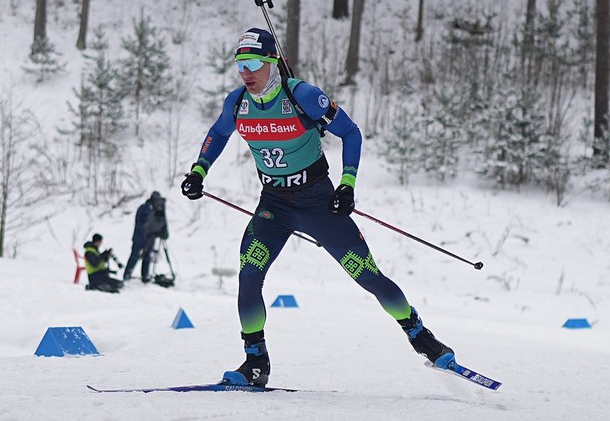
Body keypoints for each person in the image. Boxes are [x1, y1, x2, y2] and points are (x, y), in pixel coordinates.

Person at [181, 28, 454, 387]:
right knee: (249, 275)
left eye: (252, 64)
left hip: (318, 203)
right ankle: (255, 363)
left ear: (272, 63)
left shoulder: (304, 97)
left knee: (368, 276)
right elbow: (218, 134)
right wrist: (199, 171)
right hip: (274, 206)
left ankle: (419, 334)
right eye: (239, 65)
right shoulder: (237, 103)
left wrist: (348, 184)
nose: (245, 72)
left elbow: (351, 133)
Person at [124, 191, 169, 282]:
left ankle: (145, 275)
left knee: (147, 257)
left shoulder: (157, 210)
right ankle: (127, 274)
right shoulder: (144, 208)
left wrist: (161, 232)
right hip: (139, 237)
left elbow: (160, 223)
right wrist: (146, 232)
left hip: (150, 238)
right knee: (134, 256)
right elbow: (139, 223)